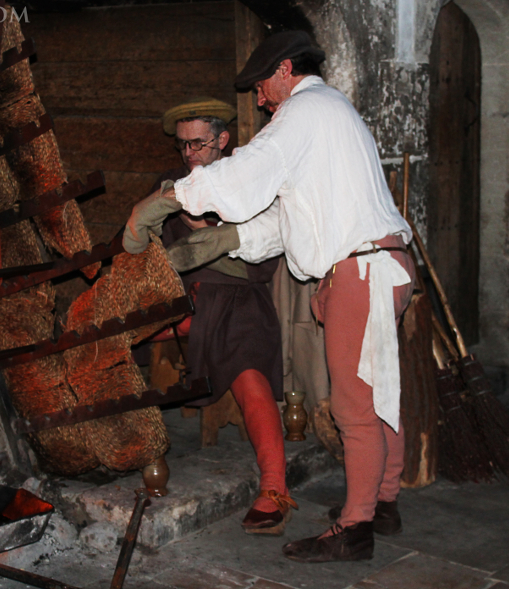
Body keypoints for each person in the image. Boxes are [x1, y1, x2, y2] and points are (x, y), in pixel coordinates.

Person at [124, 31, 415, 562]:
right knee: (376, 396)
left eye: (261, 85)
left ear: (284, 70)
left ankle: (355, 529)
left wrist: (166, 200)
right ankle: (384, 503)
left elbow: (249, 173)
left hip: (362, 270)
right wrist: (233, 238)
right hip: (375, 264)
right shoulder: (330, 113)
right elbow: (290, 217)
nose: (259, 98)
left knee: (355, 410)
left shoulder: (305, 111)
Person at [137, 97, 297, 535]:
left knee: (248, 369)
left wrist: (212, 233)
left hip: (238, 297)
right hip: (180, 299)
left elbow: (264, 258)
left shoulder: (249, 184)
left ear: (223, 140)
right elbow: (140, 244)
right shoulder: (169, 185)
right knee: (118, 332)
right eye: (183, 146)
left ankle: (274, 487)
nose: (190, 155)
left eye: (200, 145)